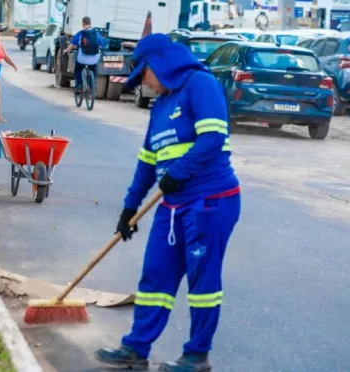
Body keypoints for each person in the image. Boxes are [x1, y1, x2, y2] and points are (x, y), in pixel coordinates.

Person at [95, 33, 241, 372]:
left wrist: (179, 171)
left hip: (211, 200)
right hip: (172, 206)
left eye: (143, 74)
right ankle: (135, 349)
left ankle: (196, 356)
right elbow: (147, 162)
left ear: (158, 64)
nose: (142, 83)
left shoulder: (199, 84)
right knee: (155, 277)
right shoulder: (160, 105)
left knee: (202, 283)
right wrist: (129, 208)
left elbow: (214, 137)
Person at [64, 16, 103, 93]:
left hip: (83, 59)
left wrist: (66, 50)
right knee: (94, 68)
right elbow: (101, 44)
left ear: (83, 23)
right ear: (90, 23)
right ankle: (92, 85)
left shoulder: (81, 34)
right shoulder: (96, 33)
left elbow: (72, 44)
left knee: (78, 69)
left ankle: (80, 85)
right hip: (94, 59)